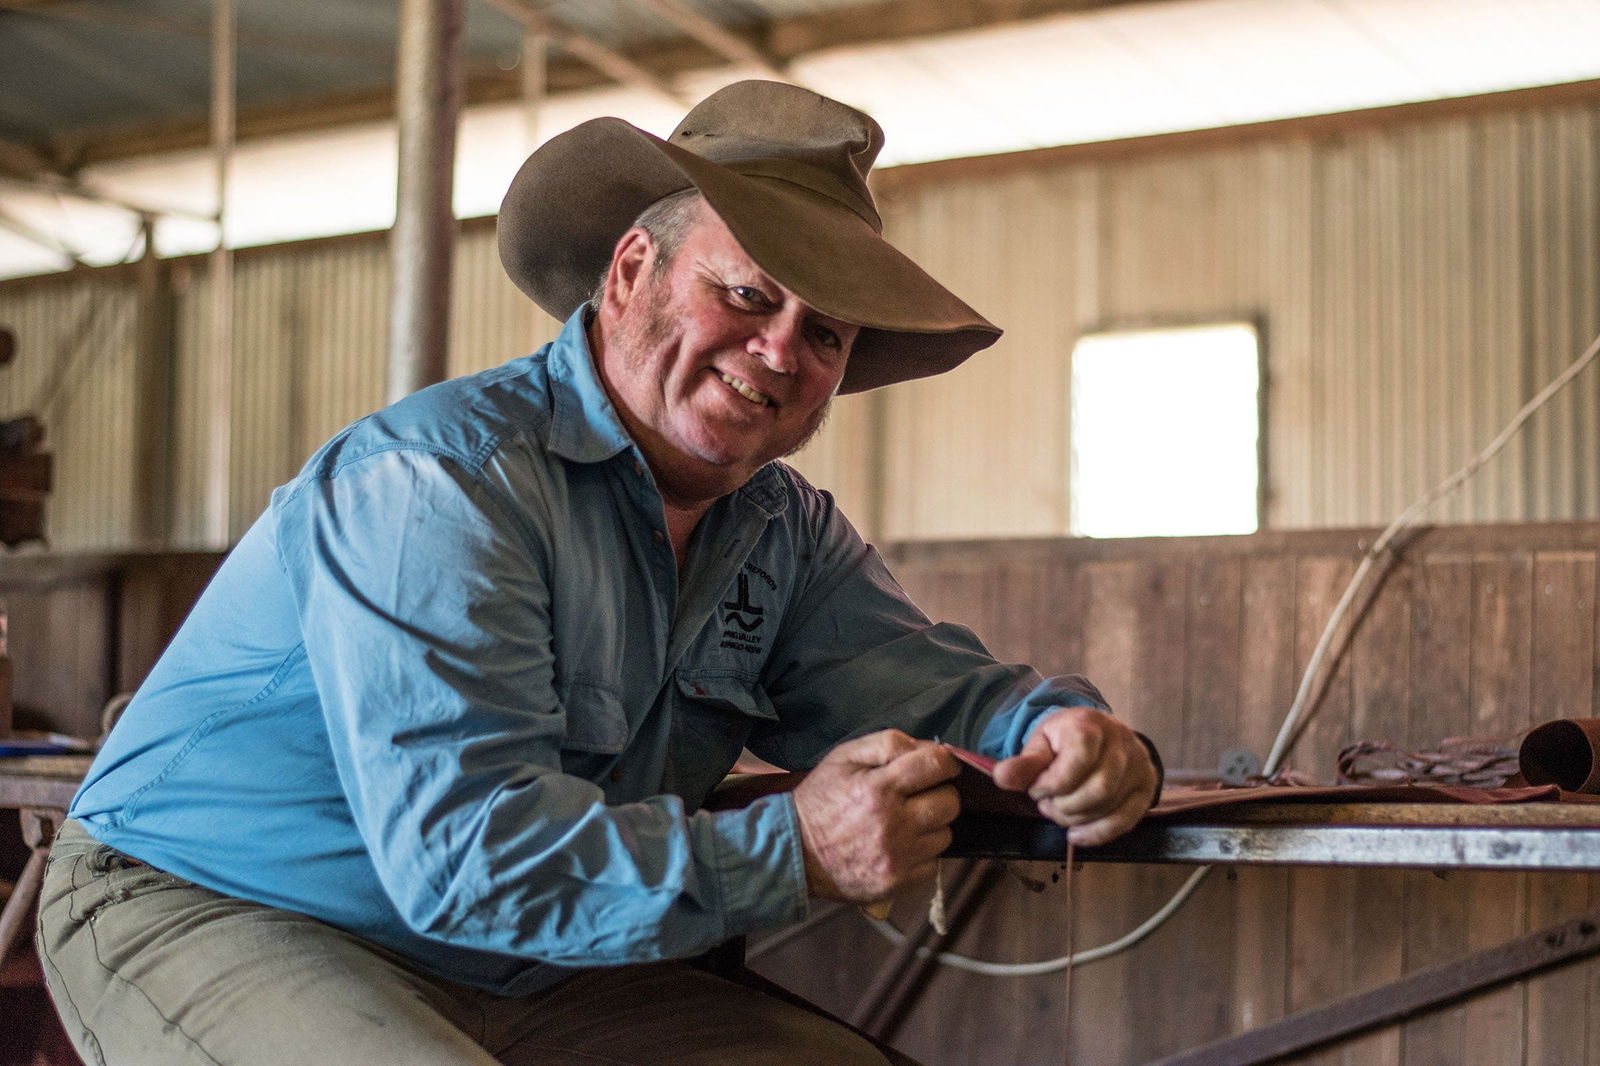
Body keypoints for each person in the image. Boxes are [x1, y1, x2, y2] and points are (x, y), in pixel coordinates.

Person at [37, 81, 1160, 1066]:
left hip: (515, 959)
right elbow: (467, 857)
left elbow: (943, 700)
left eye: (826, 334)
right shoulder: (441, 485)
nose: (780, 353)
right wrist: (793, 850)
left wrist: (1066, 736)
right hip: (212, 905)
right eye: (750, 294)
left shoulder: (784, 531)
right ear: (633, 271)